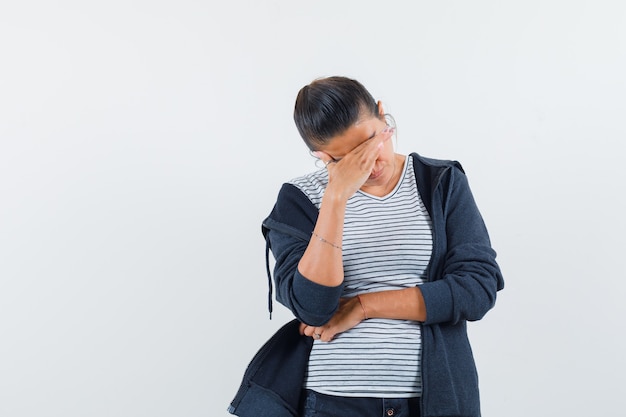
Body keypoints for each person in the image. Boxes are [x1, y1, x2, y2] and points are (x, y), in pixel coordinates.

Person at [228, 76, 504, 417]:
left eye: (371, 143)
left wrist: (363, 305)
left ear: (382, 116)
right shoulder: (300, 200)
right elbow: (314, 308)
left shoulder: (441, 182)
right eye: (348, 159)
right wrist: (336, 196)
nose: (371, 167)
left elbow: (477, 289)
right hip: (331, 401)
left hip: (433, 399)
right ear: (323, 155)